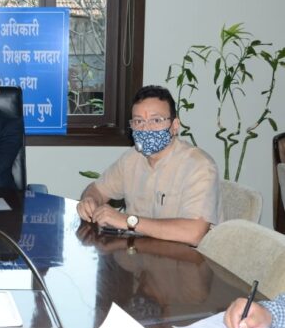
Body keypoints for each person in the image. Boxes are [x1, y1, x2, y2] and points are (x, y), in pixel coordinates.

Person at [76, 85, 221, 246]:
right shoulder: (131, 158)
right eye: (139, 121)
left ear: (174, 126)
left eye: (156, 120)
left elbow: (194, 233)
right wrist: (90, 200)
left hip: (185, 257)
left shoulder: (199, 166)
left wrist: (128, 221)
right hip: (140, 252)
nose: (146, 129)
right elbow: (97, 189)